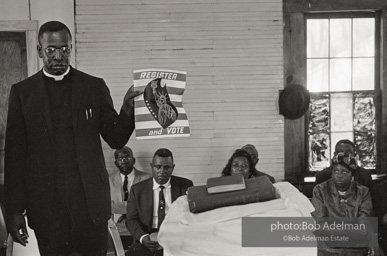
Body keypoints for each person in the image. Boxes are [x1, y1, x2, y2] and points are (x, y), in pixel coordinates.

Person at [4, 21, 141, 256]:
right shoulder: (23, 93)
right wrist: (14, 211)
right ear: (39, 51)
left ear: (70, 48)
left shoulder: (93, 87)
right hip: (47, 208)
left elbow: (116, 139)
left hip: (90, 206)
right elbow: (15, 157)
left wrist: (127, 109)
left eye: (64, 49)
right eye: (51, 50)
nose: (59, 56)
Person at [126, 148, 193, 256]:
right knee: (134, 252)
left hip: (175, 239)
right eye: (158, 167)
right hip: (148, 238)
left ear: (173, 168)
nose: (162, 171)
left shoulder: (185, 186)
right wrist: (143, 238)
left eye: (167, 167)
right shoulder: (137, 189)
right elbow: (131, 220)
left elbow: (191, 216)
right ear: (152, 166)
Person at [311, 153, 373, 255]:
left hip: (355, 245)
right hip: (328, 245)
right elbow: (320, 222)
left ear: (352, 175)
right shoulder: (320, 190)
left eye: (345, 172)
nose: (339, 175)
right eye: (335, 171)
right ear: (331, 173)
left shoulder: (363, 192)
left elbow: (363, 223)